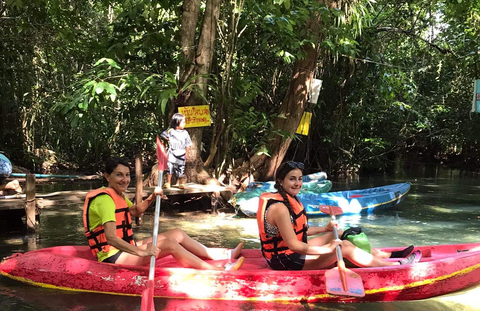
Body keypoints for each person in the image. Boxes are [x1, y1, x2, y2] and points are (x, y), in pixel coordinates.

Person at [83, 157, 244, 270]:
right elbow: (111, 238)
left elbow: (135, 211)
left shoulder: (117, 194)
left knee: (177, 233)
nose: (125, 180)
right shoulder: (104, 200)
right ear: (107, 176)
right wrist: (142, 252)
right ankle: (216, 270)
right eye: (119, 175)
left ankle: (224, 254)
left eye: (126, 175)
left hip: (126, 247)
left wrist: (152, 197)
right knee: (169, 244)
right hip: (113, 256)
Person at [256, 161, 421, 271]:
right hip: (284, 260)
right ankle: (395, 266)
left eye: (299, 179)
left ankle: (388, 255)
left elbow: (300, 230)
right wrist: (327, 249)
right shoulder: (279, 208)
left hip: (293, 252)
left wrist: (325, 228)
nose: (298, 183)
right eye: (292, 179)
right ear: (280, 180)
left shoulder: (290, 198)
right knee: (344, 247)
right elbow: (294, 245)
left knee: (341, 234)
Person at [160, 113, 192, 189]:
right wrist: (169, 139)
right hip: (171, 153)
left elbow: (188, 144)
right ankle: (168, 182)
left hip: (181, 153)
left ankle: (180, 183)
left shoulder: (185, 133)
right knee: (169, 168)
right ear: (177, 122)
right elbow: (163, 135)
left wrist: (186, 154)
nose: (184, 124)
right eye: (183, 122)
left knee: (181, 168)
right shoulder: (171, 130)